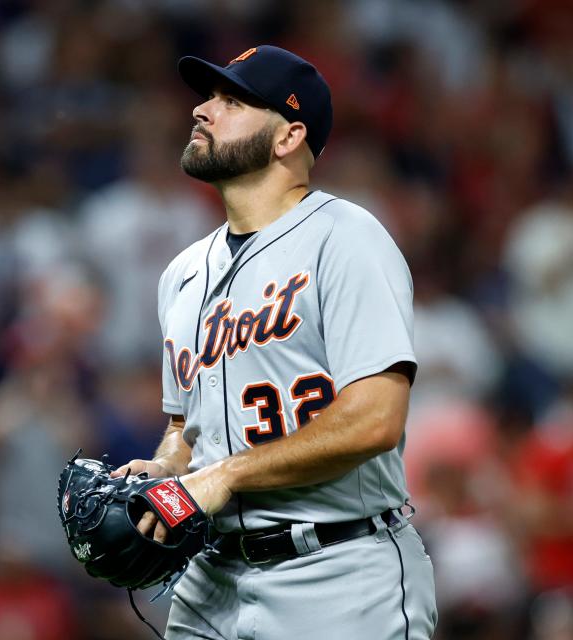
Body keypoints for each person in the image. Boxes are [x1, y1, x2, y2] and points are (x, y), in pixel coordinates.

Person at [112, 45, 438, 639]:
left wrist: (226, 476)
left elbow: (376, 420)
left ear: (289, 137)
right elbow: (191, 428)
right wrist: (166, 468)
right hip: (209, 579)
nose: (202, 111)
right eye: (208, 96)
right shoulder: (182, 273)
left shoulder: (345, 239)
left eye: (231, 100)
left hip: (337, 572)